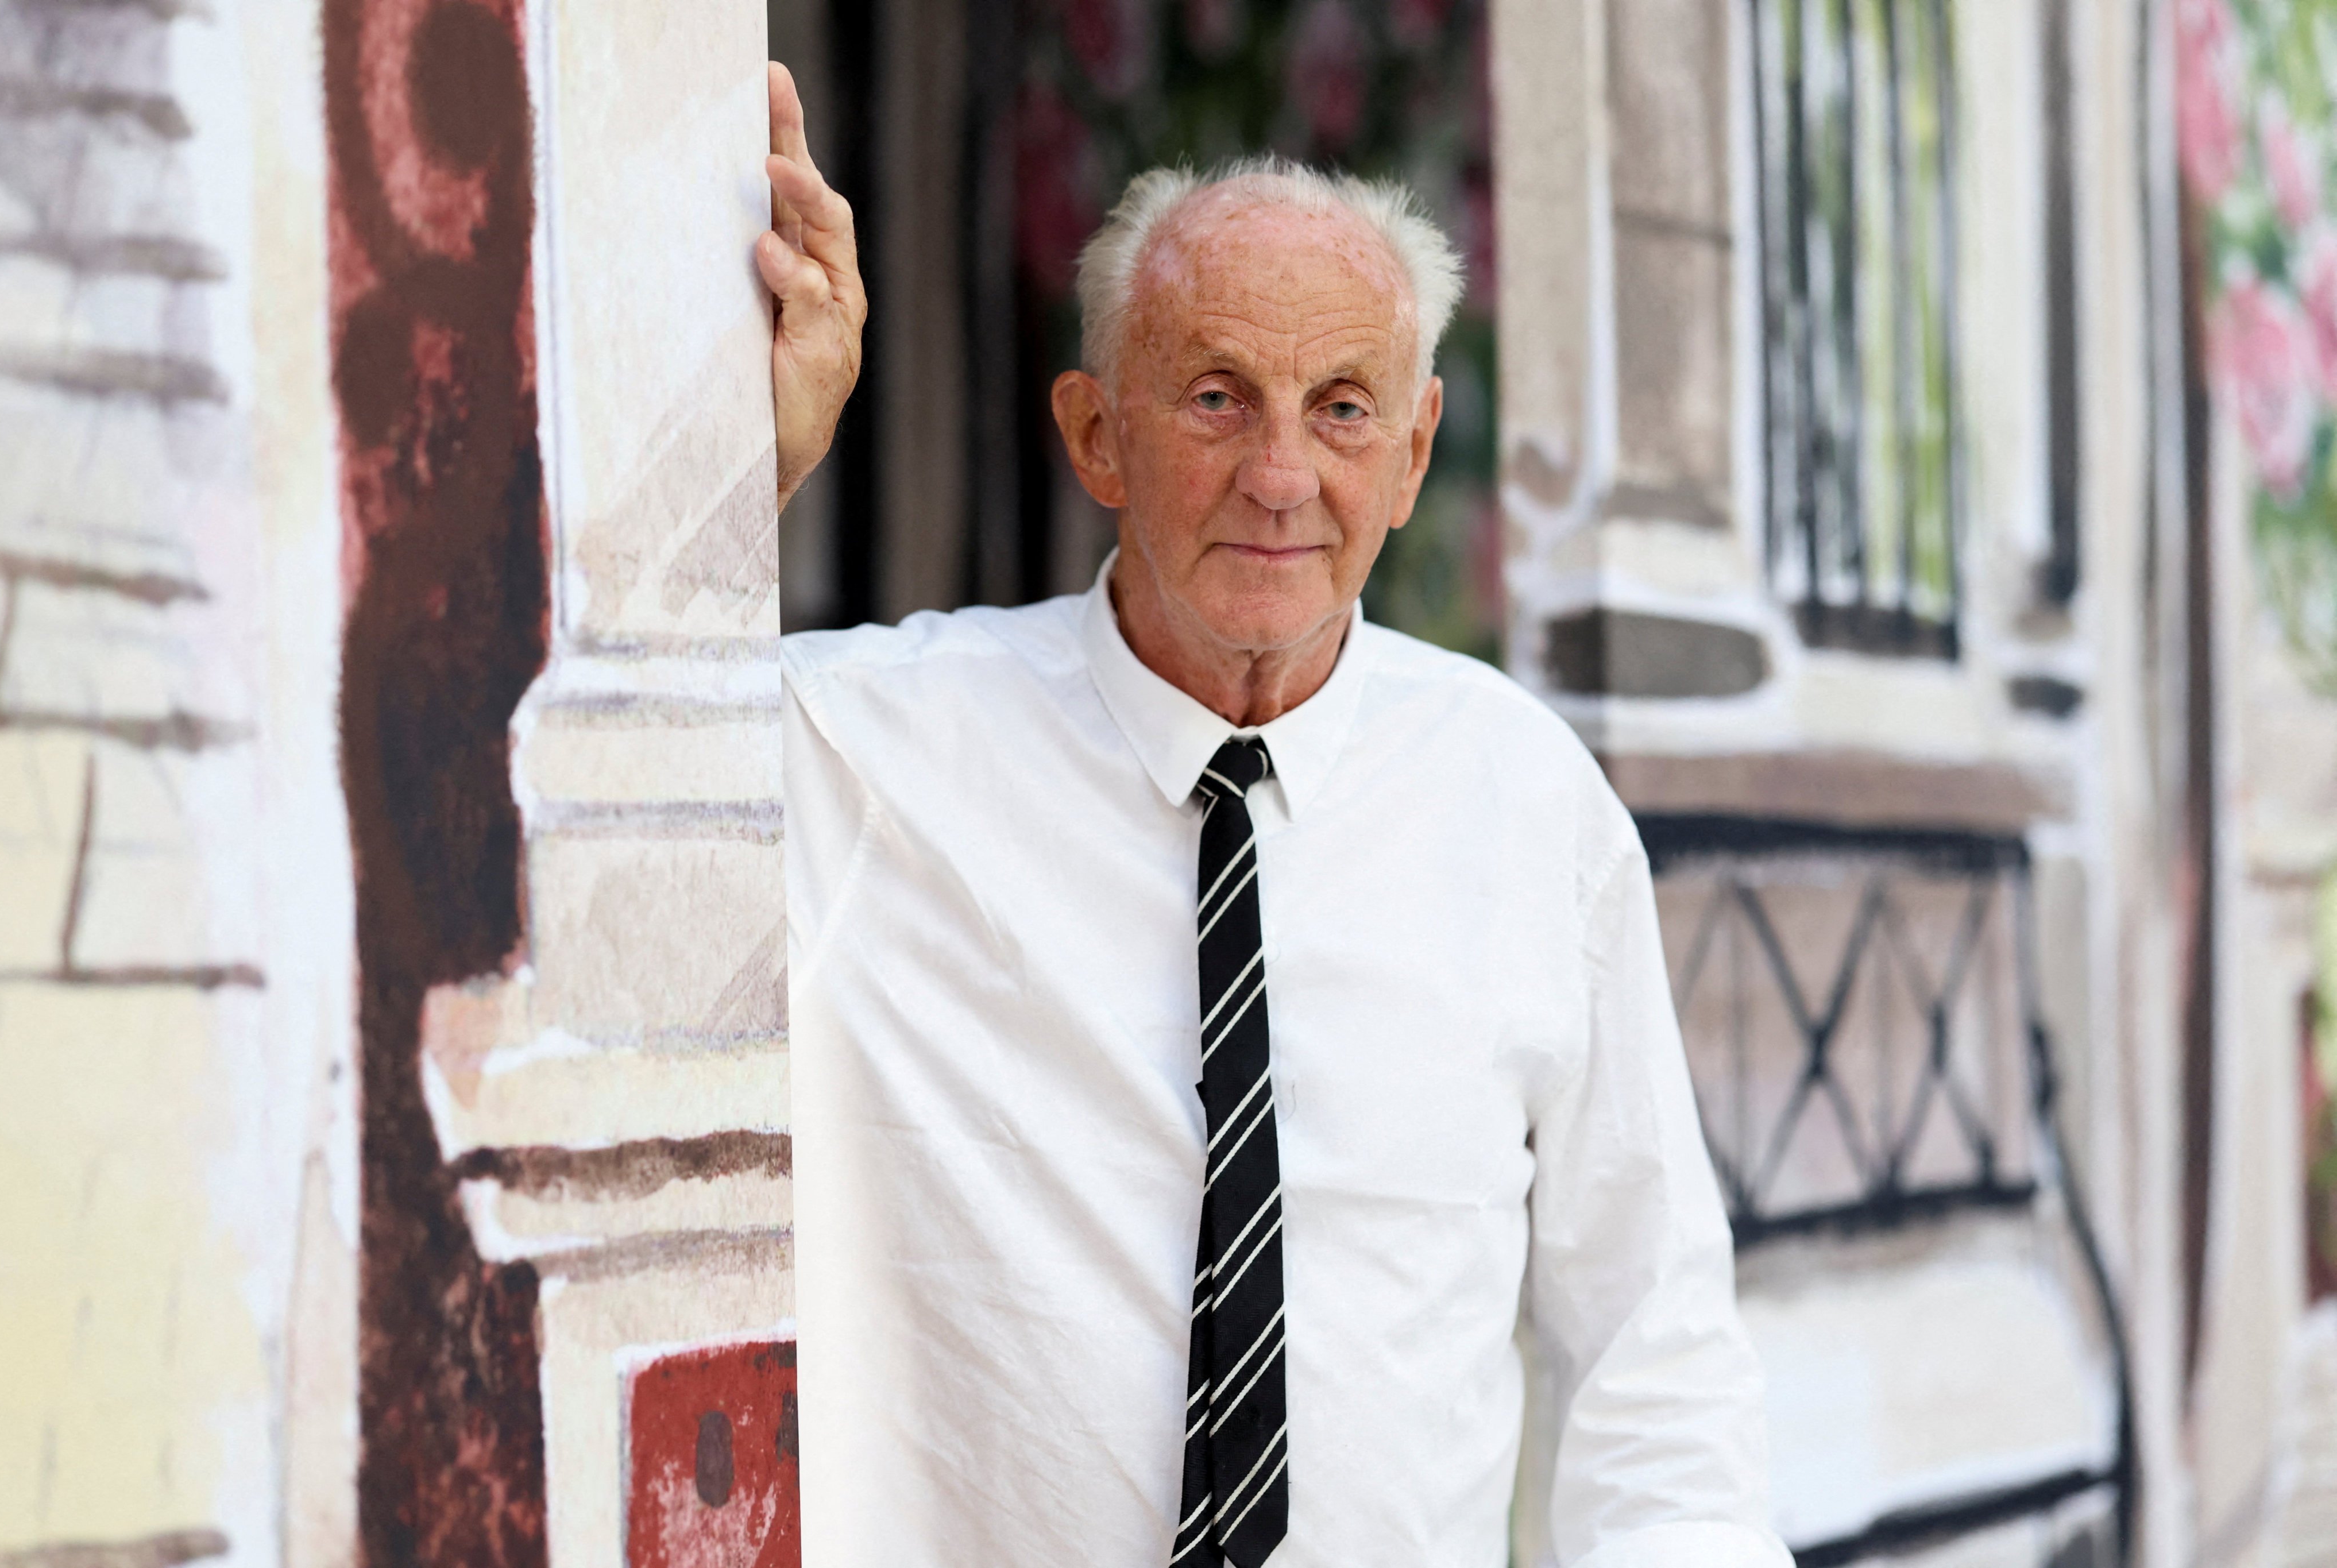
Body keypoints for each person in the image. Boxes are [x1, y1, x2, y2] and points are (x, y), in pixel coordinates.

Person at [756, 61, 1793, 1568]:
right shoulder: (864, 756)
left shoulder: (1527, 806)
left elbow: (1656, 1348)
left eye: (1344, 408)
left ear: (1417, 452)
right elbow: (572, 781)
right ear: (1098, 435)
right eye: (1217, 396)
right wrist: (754, 475)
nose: (1283, 474)